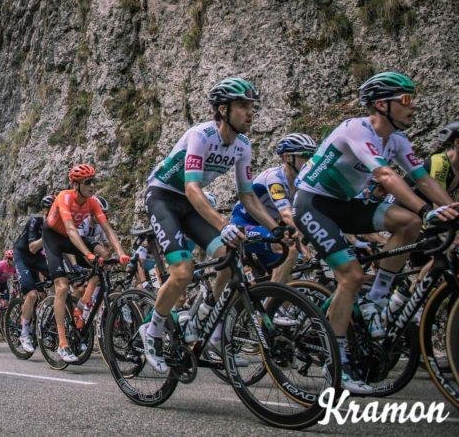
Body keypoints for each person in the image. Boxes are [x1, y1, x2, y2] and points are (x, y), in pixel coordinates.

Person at [294, 72, 459, 393]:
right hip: (313, 204)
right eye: (406, 99)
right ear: (382, 104)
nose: (413, 106)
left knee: (408, 224)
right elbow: (384, 174)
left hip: (345, 204)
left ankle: (378, 298)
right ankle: (336, 365)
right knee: (351, 275)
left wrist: (450, 209)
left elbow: (424, 180)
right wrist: (428, 211)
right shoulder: (357, 129)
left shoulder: (397, 139)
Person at [140, 77, 284, 373]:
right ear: (223, 108)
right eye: (243, 106)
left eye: (251, 106)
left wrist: (276, 228)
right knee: (182, 272)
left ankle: (201, 316)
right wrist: (223, 224)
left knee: (229, 262)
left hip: (192, 202)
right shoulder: (201, 135)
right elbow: (192, 188)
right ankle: (152, 331)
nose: (250, 112)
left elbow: (248, 196)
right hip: (164, 196)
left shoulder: (243, 145)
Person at [45, 164, 130, 362]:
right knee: (62, 287)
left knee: (102, 253)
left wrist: (120, 252)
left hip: (71, 237)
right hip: (53, 239)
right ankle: (63, 343)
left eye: (94, 181)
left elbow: (107, 229)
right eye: (88, 182)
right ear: (75, 185)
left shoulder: (92, 202)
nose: (93, 186)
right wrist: (86, 254)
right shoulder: (64, 197)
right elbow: (71, 229)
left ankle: (83, 306)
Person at [230, 133, 317, 284]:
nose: (311, 162)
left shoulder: (302, 182)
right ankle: (270, 305)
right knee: (289, 247)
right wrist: (303, 245)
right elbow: (287, 215)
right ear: (288, 158)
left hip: (269, 228)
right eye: (306, 156)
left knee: (287, 286)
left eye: (313, 156)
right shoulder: (275, 178)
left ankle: (275, 305)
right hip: (244, 225)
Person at [13, 195, 51, 352]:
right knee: (32, 294)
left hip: (38, 259)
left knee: (60, 281)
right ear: (44, 211)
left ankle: (48, 321)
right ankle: (25, 332)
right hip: (23, 256)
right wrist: (48, 234)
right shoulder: (36, 221)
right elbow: (33, 248)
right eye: (50, 211)